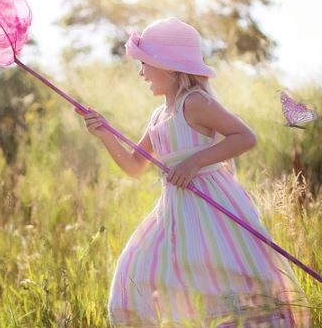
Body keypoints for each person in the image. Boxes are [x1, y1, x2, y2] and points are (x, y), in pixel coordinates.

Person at [78, 18, 309, 327]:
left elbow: (245, 137)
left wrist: (194, 162)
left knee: (218, 271)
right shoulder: (159, 115)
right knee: (136, 265)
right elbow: (134, 165)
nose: (141, 73)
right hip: (173, 211)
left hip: (210, 204)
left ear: (169, 67)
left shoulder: (195, 103)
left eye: (145, 64)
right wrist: (104, 133)